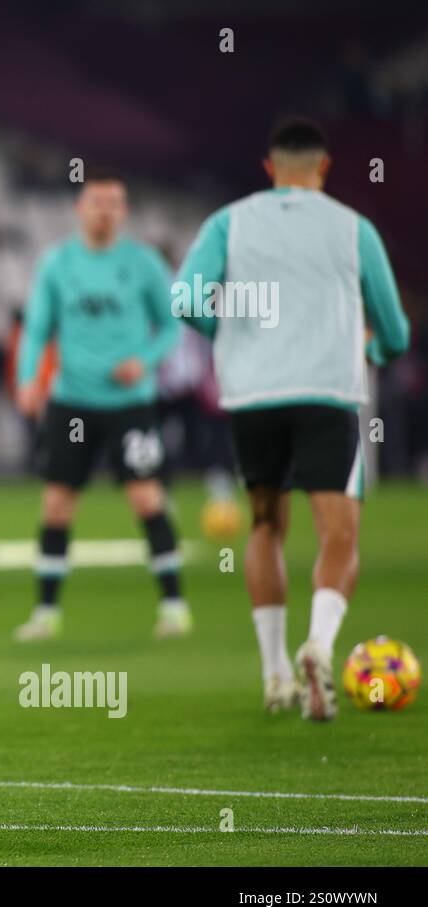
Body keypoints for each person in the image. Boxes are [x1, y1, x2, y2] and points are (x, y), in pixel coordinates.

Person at [175, 118, 410, 719]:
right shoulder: (354, 228)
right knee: (338, 533)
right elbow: (396, 330)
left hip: (253, 395)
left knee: (264, 527)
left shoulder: (230, 221)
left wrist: (225, 336)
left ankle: (275, 672)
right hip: (326, 393)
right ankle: (321, 644)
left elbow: (184, 300)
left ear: (269, 167)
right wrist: (373, 352)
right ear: (324, 168)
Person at [13, 173, 189, 642]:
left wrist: (144, 361)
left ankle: (174, 605)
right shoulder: (58, 263)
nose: (106, 210)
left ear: (124, 210)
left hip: (130, 404)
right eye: (97, 201)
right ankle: (45, 613)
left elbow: (172, 326)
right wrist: (28, 379)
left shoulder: (144, 263)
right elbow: (36, 330)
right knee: (56, 506)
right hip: (71, 402)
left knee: (146, 498)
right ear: (80, 207)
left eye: (115, 202)